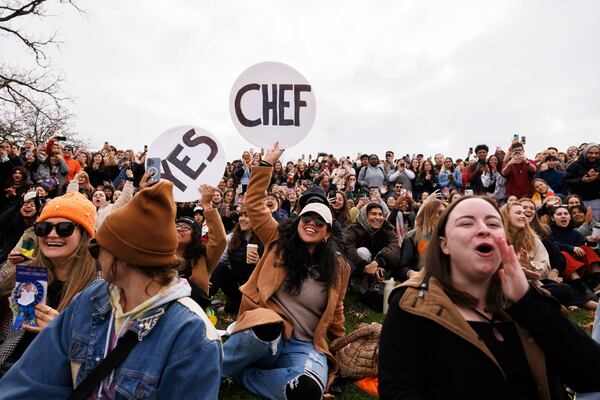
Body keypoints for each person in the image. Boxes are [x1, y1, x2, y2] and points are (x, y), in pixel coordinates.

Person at [0, 180, 222, 398]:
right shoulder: (90, 299)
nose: (93, 256)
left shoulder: (194, 336)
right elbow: (32, 382)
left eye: (98, 249)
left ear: (123, 257)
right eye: (44, 228)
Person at [379, 196, 600, 399]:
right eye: (466, 223)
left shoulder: (530, 300)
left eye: (494, 224)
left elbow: (591, 374)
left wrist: (527, 301)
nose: (484, 230)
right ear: (444, 245)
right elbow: (397, 391)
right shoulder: (411, 304)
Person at [222, 143, 350, 400]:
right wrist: (266, 165)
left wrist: (339, 348)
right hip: (268, 335)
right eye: (306, 218)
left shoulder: (338, 267)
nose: (311, 224)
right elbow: (255, 204)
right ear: (299, 221)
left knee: (306, 391)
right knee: (267, 325)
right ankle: (212, 369)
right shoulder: (278, 240)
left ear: (327, 233)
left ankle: (245, 376)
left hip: (304, 346)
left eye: (319, 222)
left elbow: (336, 313)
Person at [0, 192, 97, 377]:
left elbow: (103, 357)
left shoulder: (100, 289)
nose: (52, 235)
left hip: (55, 384)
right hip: (7, 375)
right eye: (43, 228)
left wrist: (62, 335)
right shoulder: (19, 273)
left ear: (84, 235)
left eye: (64, 228)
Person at [175, 184, 226, 309]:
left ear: (195, 235)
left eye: (186, 228)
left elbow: (219, 240)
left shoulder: (203, 257)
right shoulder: (161, 252)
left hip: (192, 309)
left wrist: (207, 206)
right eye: (177, 226)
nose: (180, 229)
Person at [345, 202, 401, 311]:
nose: (378, 217)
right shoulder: (354, 228)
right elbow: (348, 248)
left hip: (380, 271)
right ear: (365, 216)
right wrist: (365, 266)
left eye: (380, 214)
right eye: (373, 214)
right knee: (362, 252)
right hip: (360, 271)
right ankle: (362, 290)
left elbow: (395, 248)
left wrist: (377, 262)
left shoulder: (387, 228)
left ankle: (378, 291)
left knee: (388, 255)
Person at [210, 206, 263, 313]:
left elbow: (271, 270)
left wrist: (259, 261)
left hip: (255, 287)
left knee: (252, 306)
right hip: (236, 284)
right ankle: (203, 298)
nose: (242, 219)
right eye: (241, 216)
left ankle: (223, 308)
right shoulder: (232, 237)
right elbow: (221, 262)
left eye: (246, 216)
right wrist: (209, 277)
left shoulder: (264, 239)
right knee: (219, 267)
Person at [550, 204, 600, 300]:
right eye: (559, 214)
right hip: (561, 265)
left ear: (569, 217)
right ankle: (581, 287)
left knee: (585, 248)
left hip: (579, 263)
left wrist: (590, 241)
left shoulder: (574, 232)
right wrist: (571, 248)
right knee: (564, 254)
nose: (563, 216)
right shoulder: (549, 231)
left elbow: (585, 245)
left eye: (566, 214)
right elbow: (553, 244)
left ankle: (597, 282)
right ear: (552, 218)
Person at [564, 143, 600, 221]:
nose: (593, 155)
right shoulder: (575, 165)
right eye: (590, 153)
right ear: (585, 152)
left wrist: (597, 179)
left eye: (596, 153)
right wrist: (581, 180)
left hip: (597, 200)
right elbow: (566, 181)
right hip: (579, 201)